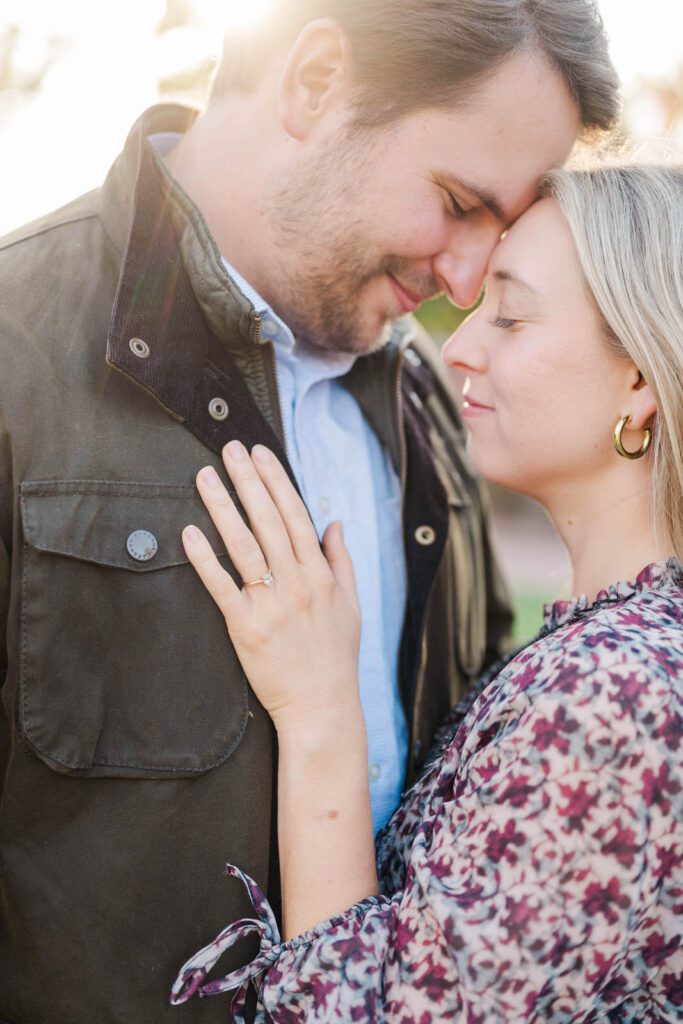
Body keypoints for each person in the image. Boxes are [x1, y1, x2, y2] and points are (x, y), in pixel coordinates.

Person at [0, 3, 618, 1021]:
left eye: (495, 231)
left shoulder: (430, 402)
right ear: (316, 78)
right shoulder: (17, 356)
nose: (465, 280)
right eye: (458, 201)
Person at [172, 160, 683, 1022]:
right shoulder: (618, 645)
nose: (458, 345)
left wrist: (322, 715)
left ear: (639, 380)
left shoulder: (617, 691)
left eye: (511, 315)